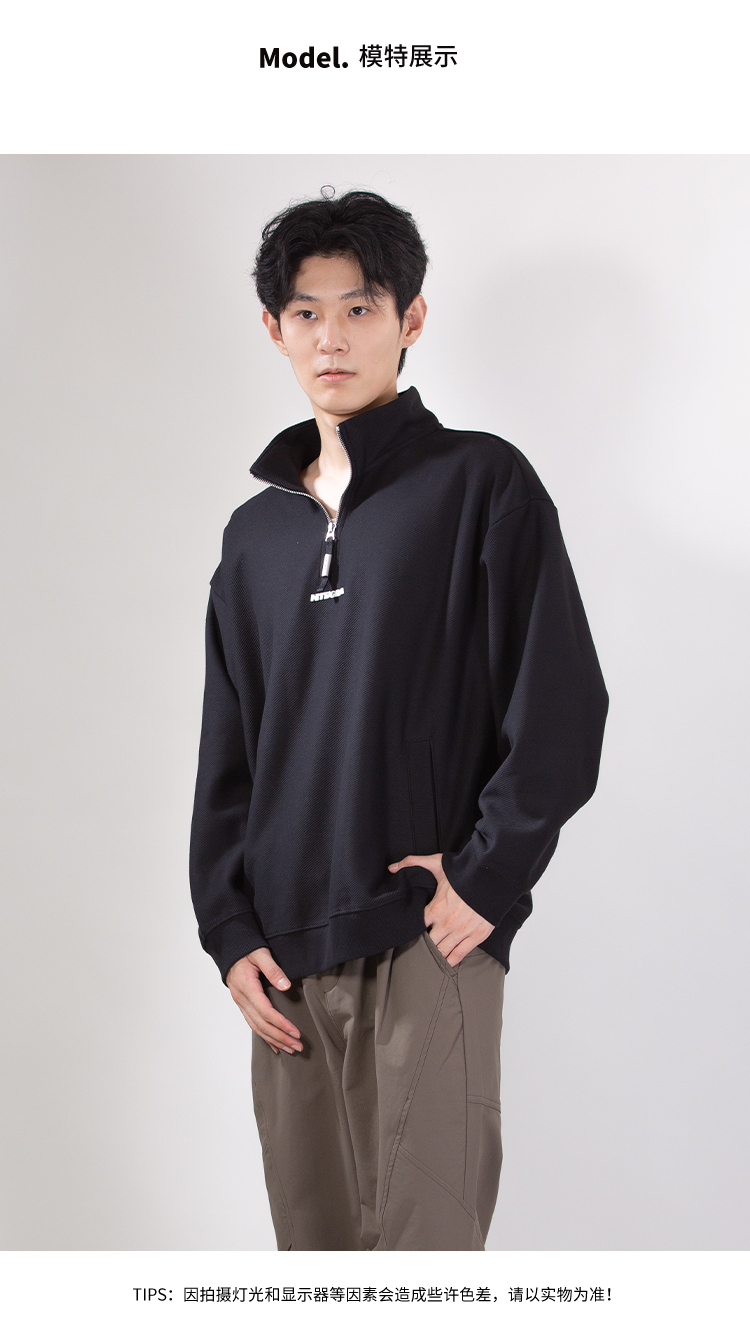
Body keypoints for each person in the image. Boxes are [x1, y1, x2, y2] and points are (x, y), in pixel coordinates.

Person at [189, 188, 609, 1251]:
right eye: (307, 312)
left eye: (360, 308)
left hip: (426, 930)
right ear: (275, 328)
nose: (332, 338)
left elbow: (562, 701)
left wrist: (488, 877)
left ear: (410, 317)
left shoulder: (481, 482)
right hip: (284, 956)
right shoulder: (253, 536)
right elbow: (230, 750)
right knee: (318, 1269)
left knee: (426, 1266)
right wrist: (228, 931)